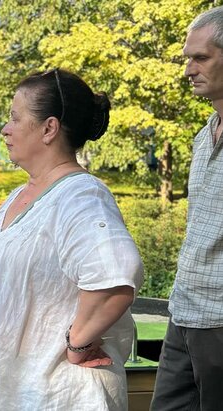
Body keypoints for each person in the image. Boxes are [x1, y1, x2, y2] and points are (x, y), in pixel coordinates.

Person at [0, 69, 144, 410]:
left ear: (49, 129)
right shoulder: (24, 193)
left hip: (47, 395)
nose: (5, 128)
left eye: (15, 118)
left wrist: (77, 344)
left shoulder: (81, 197)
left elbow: (114, 277)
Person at [151, 7, 223, 410]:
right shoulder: (203, 135)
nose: (188, 69)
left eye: (201, 58)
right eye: (187, 58)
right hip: (184, 312)